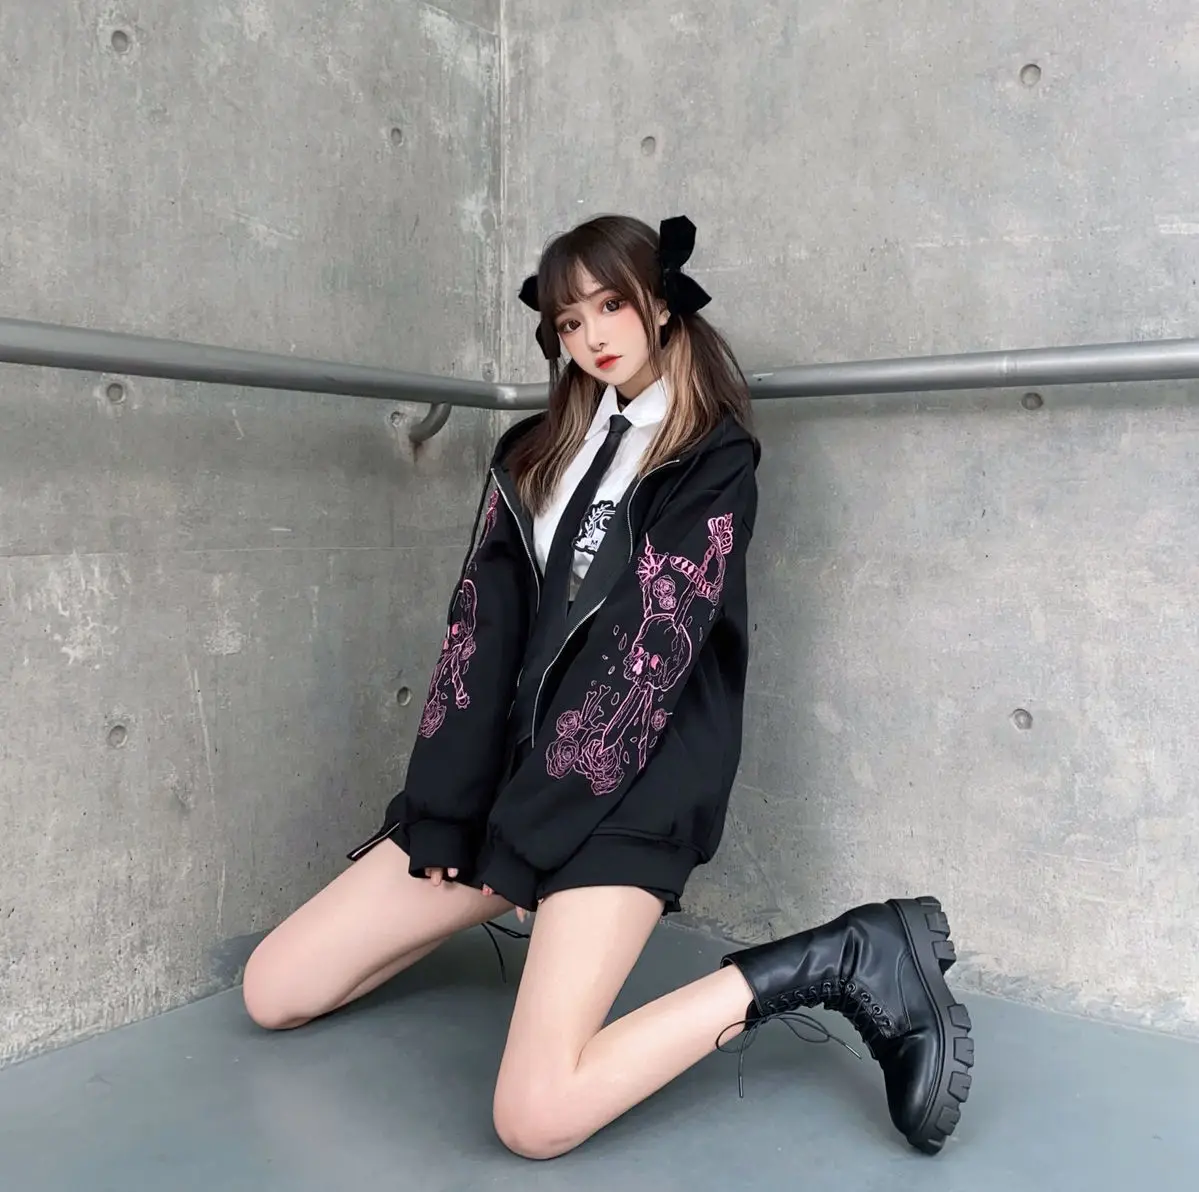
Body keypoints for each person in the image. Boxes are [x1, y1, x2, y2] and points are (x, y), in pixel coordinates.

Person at [241, 214, 975, 1161]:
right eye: (567, 320)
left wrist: (530, 839)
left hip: (628, 787)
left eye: (610, 305)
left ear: (660, 304)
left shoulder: (710, 459)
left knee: (534, 1118)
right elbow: (477, 632)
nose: (590, 335)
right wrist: (446, 811)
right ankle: (518, 880)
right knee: (275, 988)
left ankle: (839, 958)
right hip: (510, 785)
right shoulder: (531, 451)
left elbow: (645, 660)